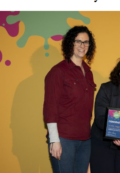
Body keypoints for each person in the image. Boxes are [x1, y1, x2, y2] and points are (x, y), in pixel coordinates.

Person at [43, 26, 96, 173]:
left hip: (85, 140)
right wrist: (54, 140)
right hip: (63, 138)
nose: (82, 45)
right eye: (78, 41)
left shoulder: (88, 72)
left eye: (86, 42)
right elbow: (50, 107)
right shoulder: (58, 71)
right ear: (70, 43)